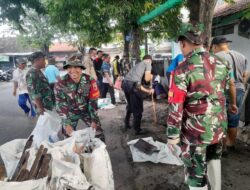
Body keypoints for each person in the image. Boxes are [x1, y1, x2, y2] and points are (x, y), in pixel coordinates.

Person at [166, 23, 235, 190]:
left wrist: (172, 137)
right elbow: (223, 94)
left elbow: (176, 105)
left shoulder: (182, 69)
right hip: (218, 127)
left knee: (196, 175)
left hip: (195, 133)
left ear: (183, 43)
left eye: (180, 45)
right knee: (213, 160)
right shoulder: (222, 63)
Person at [211, 36, 249, 151]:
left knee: (220, 117)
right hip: (240, 89)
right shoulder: (241, 56)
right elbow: (245, 74)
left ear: (215, 46)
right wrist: (242, 83)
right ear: (227, 45)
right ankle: (231, 143)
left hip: (225, 89)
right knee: (234, 116)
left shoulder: (217, 57)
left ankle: (222, 146)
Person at [54, 59, 101, 136]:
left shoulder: (89, 80)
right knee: (68, 134)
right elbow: (60, 103)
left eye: (76, 67)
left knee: (97, 132)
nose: (73, 70)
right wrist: (66, 123)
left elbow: (93, 101)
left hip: (87, 110)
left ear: (81, 68)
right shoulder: (61, 82)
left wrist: (94, 120)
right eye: (69, 67)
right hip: (70, 111)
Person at [122, 55, 154, 135]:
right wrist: (149, 90)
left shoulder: (138, 64)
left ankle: (126, 124)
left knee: (130, 105)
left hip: (125, 84)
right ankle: (137, 129)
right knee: (138, 108)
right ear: (150, 60)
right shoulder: (148, 63)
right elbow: (146, 79)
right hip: (133, 86)